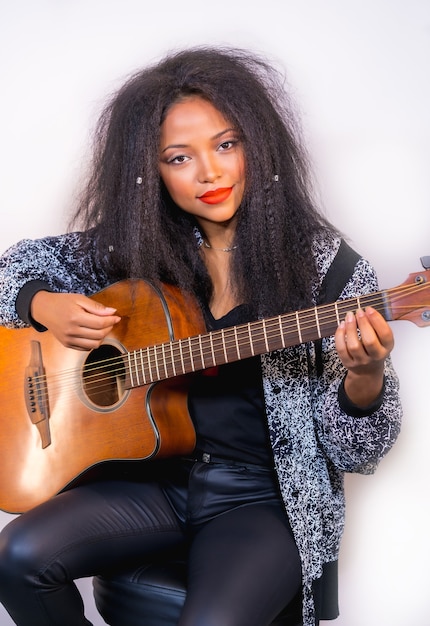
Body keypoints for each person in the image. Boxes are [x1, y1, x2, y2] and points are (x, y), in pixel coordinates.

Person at [0, 46, 402, 626]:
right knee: (18, 554)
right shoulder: (135, 250)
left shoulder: (329, 272)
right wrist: (41, 302)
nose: (209, 173)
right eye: (178, 157)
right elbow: (16, 266)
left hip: (263, 499)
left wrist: (365, 377)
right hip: (157, 484)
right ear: (150, 170)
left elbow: (359, 452)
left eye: (226, 145)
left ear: (258, 146)